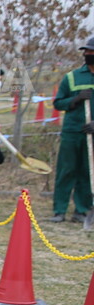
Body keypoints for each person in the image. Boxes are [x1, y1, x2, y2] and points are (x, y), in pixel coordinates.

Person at [50, 39, 94, 223]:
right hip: (71, 132)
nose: (88, 55)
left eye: (91, 52)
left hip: (91, 134)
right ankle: (59, 210)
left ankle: (82, 210)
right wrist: (76, 99)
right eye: (86, 52)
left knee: (87, 171)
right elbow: (58, 103)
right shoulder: (72, 77)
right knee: (66, 171)